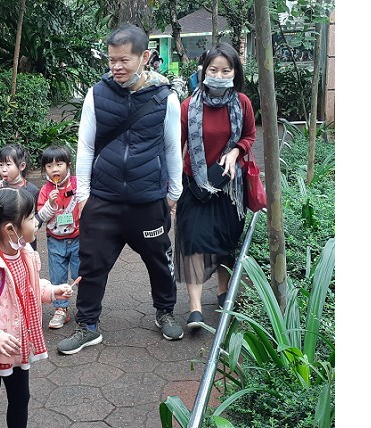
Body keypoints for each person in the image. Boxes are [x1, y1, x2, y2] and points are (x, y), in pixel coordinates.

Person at [56, 24, 184, 356]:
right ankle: (88, 325)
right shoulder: (97, 94)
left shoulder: (165, 97)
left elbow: (173, 147)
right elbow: (85, 146)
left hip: (148, 199)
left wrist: (174, 192)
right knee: (91, 263)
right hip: (104, 198)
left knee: (159, 260)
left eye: (124, 60)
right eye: (112, 60)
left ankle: (165, 311)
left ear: (144, 57)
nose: (116, 67)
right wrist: (83, 196)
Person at [0, 187, 73, 427]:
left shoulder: (24, 252)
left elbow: (29, 287)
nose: (36, 222)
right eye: (30, 218)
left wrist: (52, 291)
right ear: (11, 229)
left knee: (21, 400)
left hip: (18, 346)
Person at [176, 42, 256, 329]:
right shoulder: (188, 106)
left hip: (229, 189)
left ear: (235, 72)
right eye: (213, 70)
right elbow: (176, 146)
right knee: (193, 243)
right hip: (195, 186)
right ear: (204, 71)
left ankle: (222, 292)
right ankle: (195, 308)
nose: (219, 76)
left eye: (226, 70)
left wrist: (235, 152)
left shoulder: (242, 103)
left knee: (225, 243)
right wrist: (172, 186)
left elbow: (249, 136)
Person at [36, 145, 80, 329]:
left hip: (78, 238)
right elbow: (41, 217)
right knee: (57, 276)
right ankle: (61, 309)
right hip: (55, 240)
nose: (54, 169)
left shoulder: (77, 184)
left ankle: (85, 306)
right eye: (49, 166)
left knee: (80, 273)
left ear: (68, 165)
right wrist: (50, 204)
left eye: (59, 164)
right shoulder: (45, 190)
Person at [0, 143, 40, 250]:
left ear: (22, 166)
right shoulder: (0, 189)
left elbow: (37, 214)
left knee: (27, 259)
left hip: (27, 239)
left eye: (8, 164)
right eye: (0, 165)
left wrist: (33, 224)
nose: (3, 169)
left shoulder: (32, 190)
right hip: (6, 239)